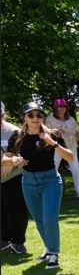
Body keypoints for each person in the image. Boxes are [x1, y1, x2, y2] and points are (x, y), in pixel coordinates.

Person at [9, 102, 73, 269]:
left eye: (39, 115)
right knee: (39, 220)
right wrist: (13, 160)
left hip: (50, 180)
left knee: (50, 218)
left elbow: (70, 157)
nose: (35, 118)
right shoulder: (18, 137)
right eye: (31, 115)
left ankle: (53, 253)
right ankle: (48, 248)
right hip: (28, 181)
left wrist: (53, 143)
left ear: (43, 117)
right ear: (25, 117)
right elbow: (5, 159)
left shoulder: (52, 134)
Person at [0, 102, 29, 254]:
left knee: (16, 209)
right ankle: (4, 240)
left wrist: (11, 163)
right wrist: (5, 161)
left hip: (15, 176)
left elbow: (25, 154)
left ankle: (18, 242)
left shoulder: (14, 131)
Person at [44, 98, 79, 199]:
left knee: (76, 170)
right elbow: (45, 132)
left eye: (64, 106)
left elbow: (77, 131)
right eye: (59, 106)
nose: (62, 108)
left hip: (71, 148)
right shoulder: (50, 118)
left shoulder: (71, 119)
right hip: (57, 148)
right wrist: (55, 132)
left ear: (66, 108)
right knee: (53, 170)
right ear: (56, 108)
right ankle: (49, 192)